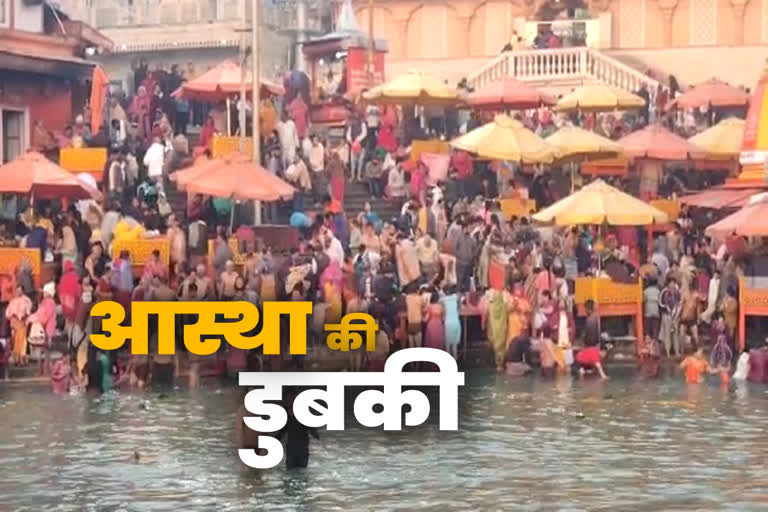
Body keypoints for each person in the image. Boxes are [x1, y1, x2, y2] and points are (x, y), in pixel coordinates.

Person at [6, 285, 32, 366]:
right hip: (14, 323)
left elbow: (28, 312)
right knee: (15, 342)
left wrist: (23, 317)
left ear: (23, 291)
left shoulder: (27, 300)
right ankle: (16, 360)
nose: (18, 292)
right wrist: (13, 316)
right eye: (17, 290)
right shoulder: (13, 301)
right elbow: (7, 313)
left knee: (22, 342)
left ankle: (22, 360)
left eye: (20, 290)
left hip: (22, 323)